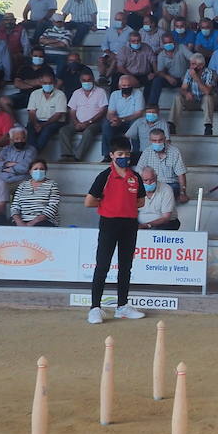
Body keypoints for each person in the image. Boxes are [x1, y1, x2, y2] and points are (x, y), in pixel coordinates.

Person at [82, 138, 147, 323]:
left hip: (130, 224)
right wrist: (109, 203)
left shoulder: (135, 177)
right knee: (102, 265)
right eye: (120, 155)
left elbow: (141, 201)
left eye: (127, 154)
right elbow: (89, 201)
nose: (124, 158)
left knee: (126, 266)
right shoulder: (104, 176)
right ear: (111, 155)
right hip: (109, 223)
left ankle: (122, 306)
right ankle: (95, 308)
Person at [64, 70, 108, 160]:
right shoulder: (76, 93)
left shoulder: (101, 92)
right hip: (77, 122)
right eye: (84, 80)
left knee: (88, 132)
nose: (87, 82)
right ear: (80, 81)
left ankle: (77, 157)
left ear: (93, 80)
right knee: (64, 131)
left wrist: (88, 122)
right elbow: (72, 111)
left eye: (89, 80)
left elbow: (103, 111)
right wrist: (76, 123)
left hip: (95, 123)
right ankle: (67, 155)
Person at [172, 54, 218, 137]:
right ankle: (172, 125)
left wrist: (196, 78)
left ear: (201, 65)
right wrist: (186, 93)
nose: (191, 66)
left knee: (207, 97)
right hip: (194, 101)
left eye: (193, 64)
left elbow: (207, 91)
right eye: (190, 64)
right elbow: (182, 89)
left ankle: (208, 127)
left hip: (208, 103)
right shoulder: (189, 72)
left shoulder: (210, 72)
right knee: (178, 97)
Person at [136, 128, 189, 201]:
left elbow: (181, 174)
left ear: (164, 139)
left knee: (165, 192)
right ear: (150, 140)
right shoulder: (146, 152)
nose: (157, 143)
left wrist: (183, 192)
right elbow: (139, 171)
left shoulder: (174, 152)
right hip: (152, 183)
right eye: (154, 140)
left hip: (170, 185)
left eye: (160, 140)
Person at [11, 160, 60, 227]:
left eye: (41, 169)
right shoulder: (22, 185)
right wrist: (19, 222)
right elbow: (15, 207)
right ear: (30, 171)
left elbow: (52, 207)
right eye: (35, 169)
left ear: (45, 171)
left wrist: (31, 223)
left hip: (43, 221)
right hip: (22, 221)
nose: (38, 171)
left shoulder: (52, 185)